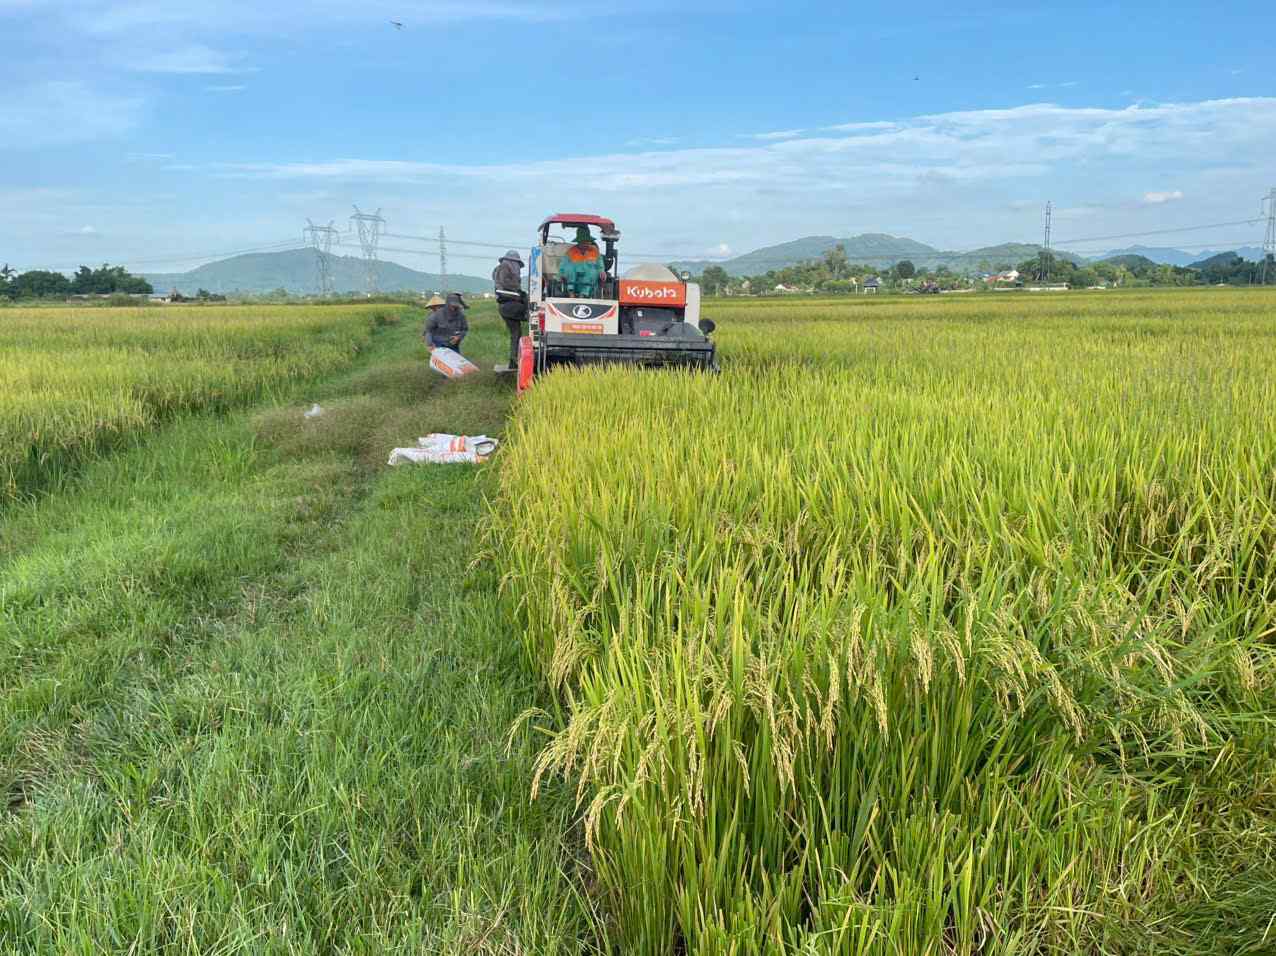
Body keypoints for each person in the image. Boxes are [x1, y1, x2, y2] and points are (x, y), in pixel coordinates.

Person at [492, 250, 527, 368]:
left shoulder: (503, 269)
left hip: (506, 306)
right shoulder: (504, 268)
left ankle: (513, 361)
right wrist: (519, 293)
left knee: (516, 333)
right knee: (532, 313)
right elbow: (505, 285)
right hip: (508, 304)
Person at [558, 225, 605, 298]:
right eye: (583, 242)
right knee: (569, 268)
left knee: (593, 271)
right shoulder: (571, 252)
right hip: (573, 284)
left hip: (590, 286)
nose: (585, 244)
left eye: (587, 241)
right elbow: (562, 268)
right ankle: (571, 293)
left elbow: (600, 267)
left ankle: (583, 295)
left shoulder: (595, 252)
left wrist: (602, 272)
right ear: (578, 242)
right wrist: (561, 275)